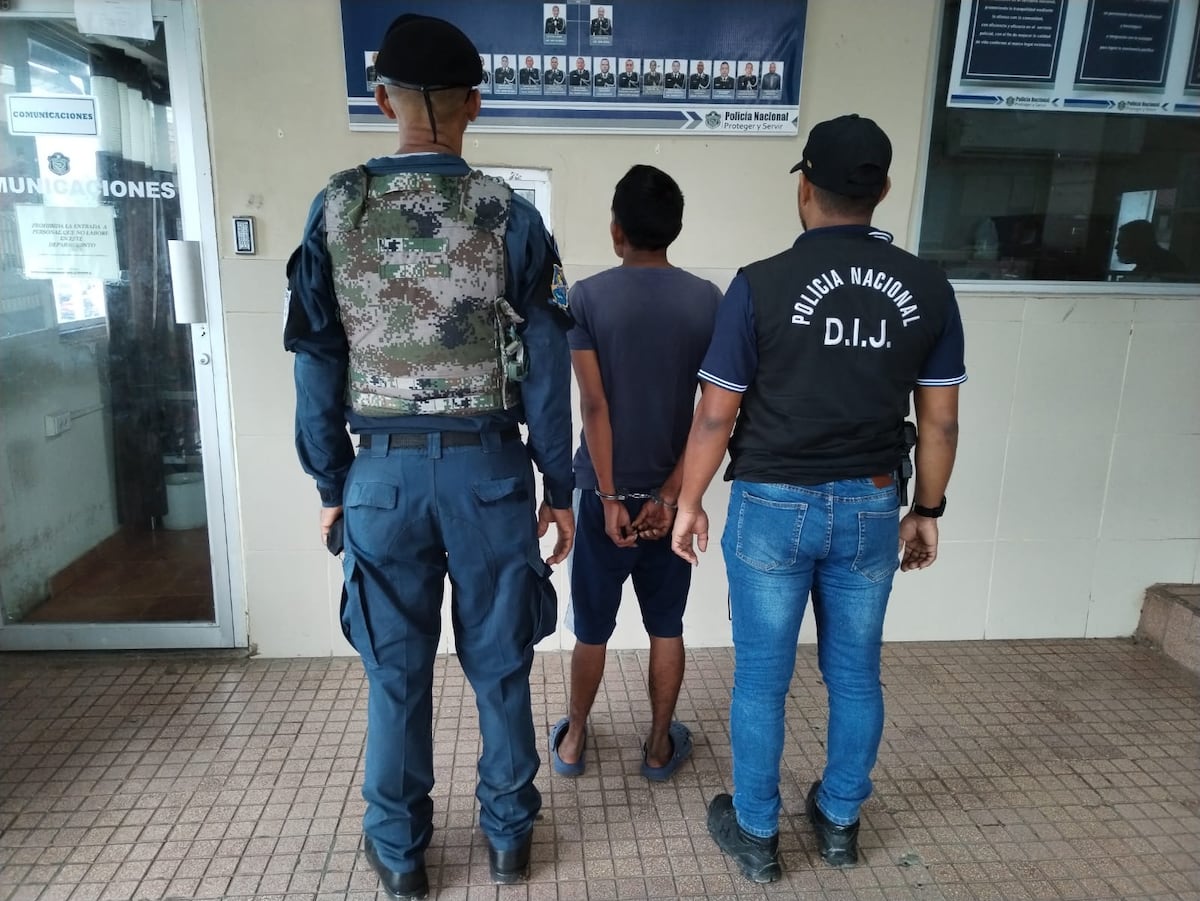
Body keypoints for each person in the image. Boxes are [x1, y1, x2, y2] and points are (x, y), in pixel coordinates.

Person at [285, 14, 576, 899]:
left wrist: (331, 482)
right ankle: (509, 839)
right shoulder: (511, 215)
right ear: (472, 105)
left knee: (395, 674)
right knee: (502, 665)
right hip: (490, 474)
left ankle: (402, 854)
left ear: (383, 102)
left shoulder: (336, 209)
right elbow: (547, 366)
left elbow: (316, 359)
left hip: (381, 475)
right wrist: (559, 485)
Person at [671, 114, 965, 883]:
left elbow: (715, 413)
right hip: (872, 503)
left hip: (772, 503)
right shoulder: (928, 286)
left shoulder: (759, 284)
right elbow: (940, 420)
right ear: (884, 189)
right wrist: (927, 510)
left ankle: (757, 834)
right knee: (856, 673)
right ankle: (838, 823)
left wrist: (689, 500)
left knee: (762, 679)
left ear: (806, 188)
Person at [550, 165, 721, 784]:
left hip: (603, 495)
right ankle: (656, 746)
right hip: (671, 500)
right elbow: (712, 410)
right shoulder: (707, 300)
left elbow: (594, 406)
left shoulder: (587, 298)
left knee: (592, 629)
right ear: (675, 229)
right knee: (666, 626)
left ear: (616, 230)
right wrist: (672, 495)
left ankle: (574, 741)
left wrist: (608, 496)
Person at [1115, 219, 1187, 280]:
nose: (1116, 247)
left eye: (1122, 242)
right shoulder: (1144, 266)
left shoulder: (1166, 267)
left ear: (1139, 243)